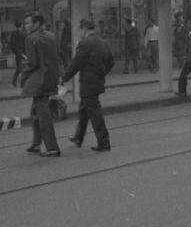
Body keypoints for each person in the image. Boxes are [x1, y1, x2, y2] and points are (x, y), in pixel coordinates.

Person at [60, 19, 115, 152]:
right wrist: (101, 73)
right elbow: (111, 62)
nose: (79, 32)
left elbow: (75, 64)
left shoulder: (85, 44)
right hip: (97, 81)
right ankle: (78, 137)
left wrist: (64, 78)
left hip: (88, 84)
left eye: (80, 29)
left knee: (95, 114)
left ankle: (104, 143)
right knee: (83, 111)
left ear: (84, 28)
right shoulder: (103, 43)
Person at [19, 11, 62, 157]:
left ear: (37, 23)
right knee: (35, 111)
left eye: (28, 23)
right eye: (25, 23)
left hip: (39, 80)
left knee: (43, 114)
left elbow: (33, 62)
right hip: (51, 78)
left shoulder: (31, 38)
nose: (26, 26)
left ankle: (52, 147)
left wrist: (23, 74)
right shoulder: (51, 36)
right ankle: (36, 143)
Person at [8, 20, 26, 87]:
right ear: (21, 25)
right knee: (21, 69)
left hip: (18, 54)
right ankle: (21, 83)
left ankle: (17, 82)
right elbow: (25, 44)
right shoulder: (23, 34)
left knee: (20, 68)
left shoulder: (13, 34)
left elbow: (11, 44)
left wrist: (15, 52)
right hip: (23, 54)